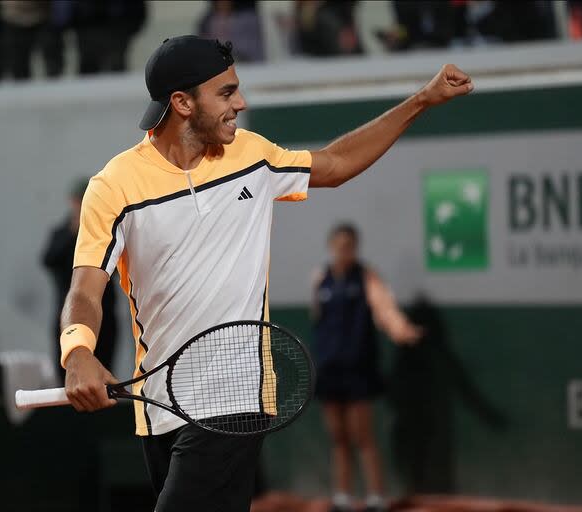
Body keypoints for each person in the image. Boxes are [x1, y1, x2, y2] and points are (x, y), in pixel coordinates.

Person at [58, 35, 472, 512]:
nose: (242, 103)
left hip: (236, 400)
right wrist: (77, 352)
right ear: (181, 103)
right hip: (160, 410)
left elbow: (336, 165)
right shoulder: (114, 186)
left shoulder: (254, 156)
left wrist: (422, 99)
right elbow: (86, 289)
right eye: (227, 93)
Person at [311, 224, 422, 512]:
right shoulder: (320, 279)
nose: (343, 251)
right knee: (338, 436)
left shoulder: (367, 277)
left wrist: (402, 329)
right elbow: (318, 318)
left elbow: (385, 310)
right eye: (339, 245)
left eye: (349, 245)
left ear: (356, 247)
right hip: (329, 368)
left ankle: (375, 496)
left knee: (362, 435)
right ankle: (343, 496)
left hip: (358, 368)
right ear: (331, 246)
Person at [41, 179, 117, 383]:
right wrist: (72, 233)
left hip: (104, 315)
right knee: (68, 374)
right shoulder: (62, 232)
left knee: (103, 371)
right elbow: (48, 259)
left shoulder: (108, 232)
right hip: (68, 315)